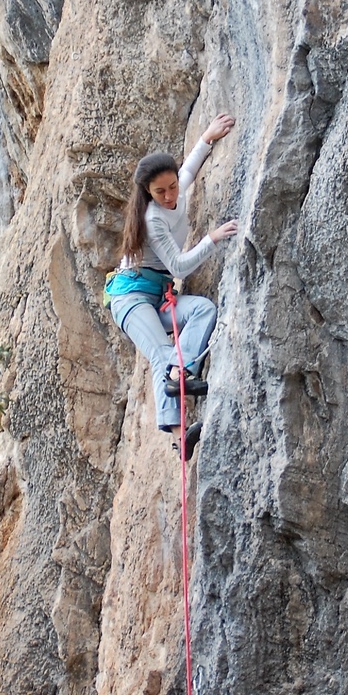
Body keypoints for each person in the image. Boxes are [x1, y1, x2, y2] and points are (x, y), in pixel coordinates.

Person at [105, 113, 239, 460]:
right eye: (159, 191)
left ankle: (185, 372)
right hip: (130, 297)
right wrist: (211, 239)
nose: (169, 195)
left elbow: (190, 167)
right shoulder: (151, 219)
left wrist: (208, 137)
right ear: (148, 193)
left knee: (203, 310)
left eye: (172, 187)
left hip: (159, 293)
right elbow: (178, 266)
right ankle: (181, 439)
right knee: (161, 355)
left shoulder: (177, 186)